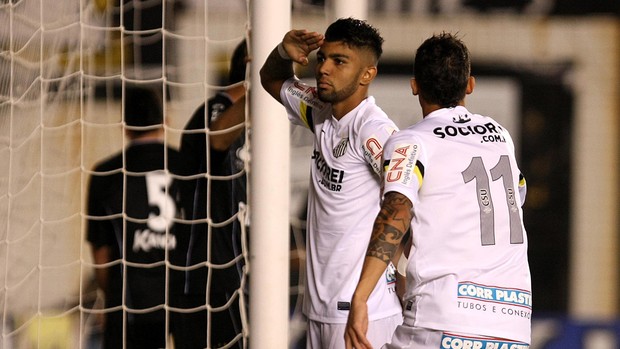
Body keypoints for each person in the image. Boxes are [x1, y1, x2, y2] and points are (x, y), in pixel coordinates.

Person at [345, 32, 532, 349]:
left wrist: (361, 296)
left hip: (444, 321)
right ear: (469, 84)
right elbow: (517, 193)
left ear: (414, 85)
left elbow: (397, 211)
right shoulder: (500, 136)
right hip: (512, 324)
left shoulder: (411, 142)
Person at [260, 17, 403, 349]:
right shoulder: (319, 110)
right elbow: (271, 77)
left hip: (363, 313)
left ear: (367, 74)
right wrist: (283, 51)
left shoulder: (374, 130)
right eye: (322, 58)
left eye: (340, 61)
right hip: (320, 309)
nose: (324, 68)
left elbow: (408, 201)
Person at [86, 85, 192, 349]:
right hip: (185, 298)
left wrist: (110, 297)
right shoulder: (188, 166)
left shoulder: (105, 174)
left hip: (129, 303)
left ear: (125, 126)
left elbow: (101, 255)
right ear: (165, 121)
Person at [176, 39, 248, 349]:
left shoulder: (254, 123)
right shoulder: (217, 112)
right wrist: (266, 81)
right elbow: (218, 139)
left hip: (238, 276)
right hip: (209, 280)